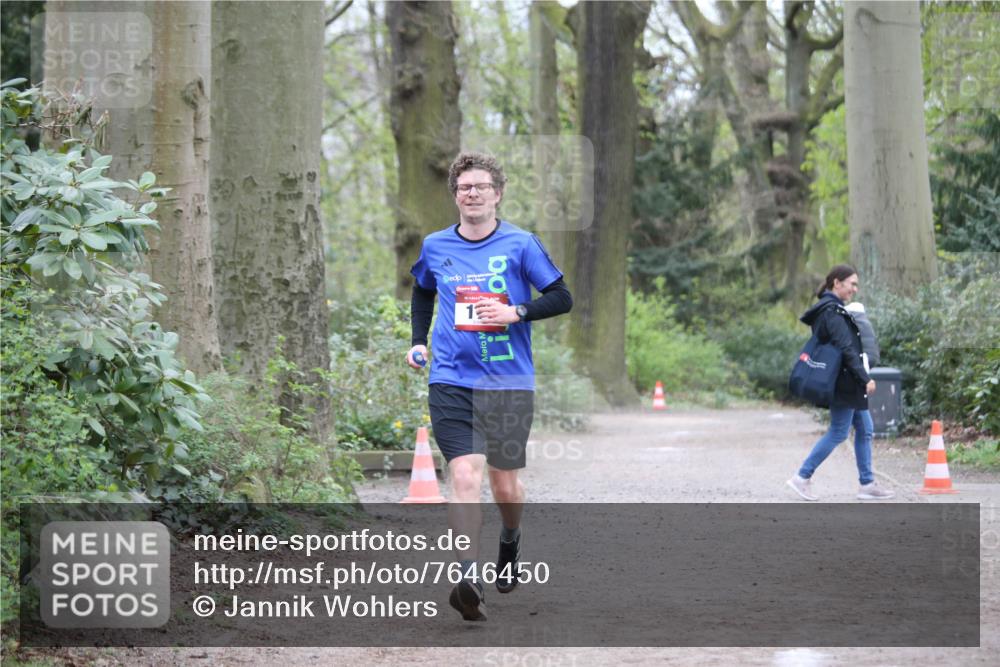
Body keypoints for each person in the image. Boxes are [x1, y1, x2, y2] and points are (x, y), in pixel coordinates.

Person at [406, 151, 572, 621]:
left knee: (504, 484)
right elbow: (423, 289)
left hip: (509, 384)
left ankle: (510, 539)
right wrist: (418, 342)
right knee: (464, 476)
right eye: (463, 188)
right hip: (452, 380)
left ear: (497, 194)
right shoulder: (436, 246)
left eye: (480, 187)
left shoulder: (521, 244)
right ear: (455, 196)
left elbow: (562, 297)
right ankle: (468, 577)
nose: (471, 194)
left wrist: (516, 311)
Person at [786, 265, 895, 502]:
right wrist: (865, 378)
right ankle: (802, 477)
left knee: (865, 429)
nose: (855, 289)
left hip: (848, 380)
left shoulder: (833, 309)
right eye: (852, 284)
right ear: (837, 283)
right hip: (844, 382)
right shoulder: (832, 312)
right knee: (838, 432)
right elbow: (846, 349)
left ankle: (867, 484)